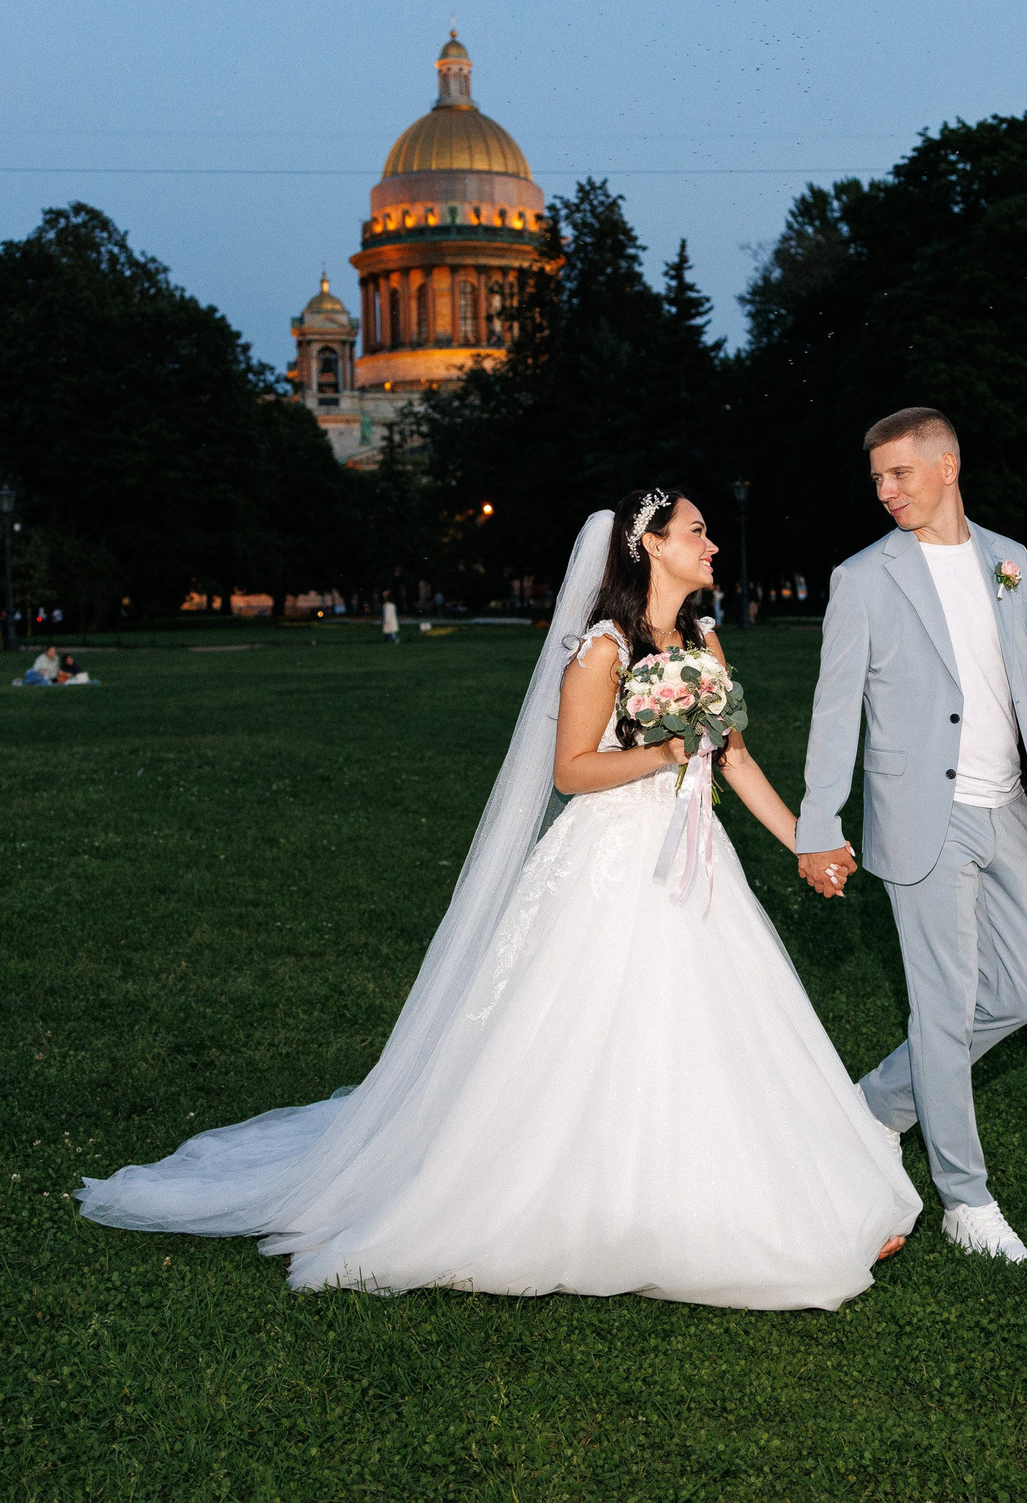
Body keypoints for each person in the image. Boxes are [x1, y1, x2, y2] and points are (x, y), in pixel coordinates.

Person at [77, 490, 917, 1309]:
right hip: (614, 857)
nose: (713, 545)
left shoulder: (703, 637)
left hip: (696, 856)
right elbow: (571, 770)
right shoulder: (601, 648)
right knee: (595, 1032)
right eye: (698, 531)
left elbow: (730, 756)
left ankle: (783, 1195)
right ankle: (590, 1203)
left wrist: (805, 841)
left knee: (727, 1024)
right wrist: (661, 754)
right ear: (652, 546)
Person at [797, 409, 1027, 1265]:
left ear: (948, 465)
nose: (886, 492)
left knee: (1012, 1000)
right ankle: (965, 1196)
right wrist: (819, 825)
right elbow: (832, 712)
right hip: (923, 819)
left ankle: (877, 1106)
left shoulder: (1011, 562)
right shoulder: (864, 578)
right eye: (877, 479)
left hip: (1006, 809)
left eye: (900, 474)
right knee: (941, 1006)